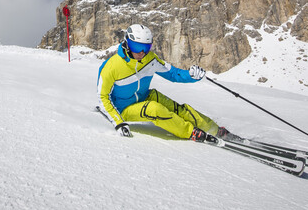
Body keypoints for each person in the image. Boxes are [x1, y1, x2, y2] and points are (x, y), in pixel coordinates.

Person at [97, 23, 230, 142]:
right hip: (123, 108)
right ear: (127, 43)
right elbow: (103, 97)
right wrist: (118, 122)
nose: (142, 53)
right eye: (137, 47)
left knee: (179, 109)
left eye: (146, 47)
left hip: (145, 96)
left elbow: (172, 73)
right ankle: (190, 132)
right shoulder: (111, 67)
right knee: (155, 109)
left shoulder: (150, 59)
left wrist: (191, 75)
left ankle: (214, 129)